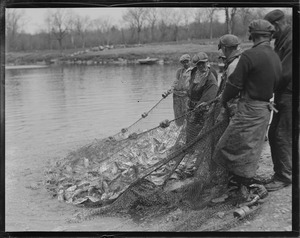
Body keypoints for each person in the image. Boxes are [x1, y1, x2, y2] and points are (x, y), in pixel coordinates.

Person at [212, 19, 282, 188]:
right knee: (251, 148)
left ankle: (238, 181)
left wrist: (223, 100)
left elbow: (234, 84)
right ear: (269, 36)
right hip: (265, 109)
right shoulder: (274, 56)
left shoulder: (249, 55)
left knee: (224, 147)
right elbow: (278, 81)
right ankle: (244, 180)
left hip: (249, 108)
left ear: (252, 35)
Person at [263, 10, 293, 191]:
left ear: (278, 25)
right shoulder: (282, 40)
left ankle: (285, 176)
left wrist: (262, 88)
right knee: (276, 133)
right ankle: (284, 172)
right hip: (283, 94)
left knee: (282, 135)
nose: (271, 35)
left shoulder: (291, 40)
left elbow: (284, 73)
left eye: (271, 31)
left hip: (291, 94)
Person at [186, 52, 218, 143]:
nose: (201, 66)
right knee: (189, 131)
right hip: (191, 107)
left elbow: (210, 94)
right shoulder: (194, 71)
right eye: (198, 64)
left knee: (200, 131)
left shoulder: (211, 76)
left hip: (203, 108)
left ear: (207, 62)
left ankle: (197, 150)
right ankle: (189, 149)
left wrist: (198, 107)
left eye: (203, 63)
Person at [171, 54, 192, 127]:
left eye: (187, 61)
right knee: (178, 113)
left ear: (190, 61)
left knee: (186, 112)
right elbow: (175, 81)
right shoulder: (179, 71)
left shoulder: (193, 71)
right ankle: (178, 127)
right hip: (177, 95)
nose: (185, 64)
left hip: (187, 95)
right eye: (183, 62)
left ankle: (186, 128)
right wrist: (169, 90)